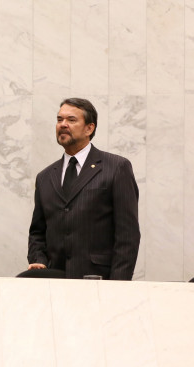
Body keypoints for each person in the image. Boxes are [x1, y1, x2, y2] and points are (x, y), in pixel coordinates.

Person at [27, 98, 140, 280]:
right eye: (59, 120)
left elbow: (128, 235)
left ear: (89, 128)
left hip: (98, 281)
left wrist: (118, 285)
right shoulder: (45, 177)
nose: (63, 125)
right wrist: (38, 260)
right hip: (53, 283)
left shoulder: (116, 168)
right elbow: (37, 232)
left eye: (71, 120)